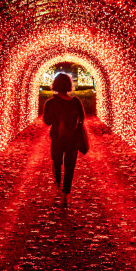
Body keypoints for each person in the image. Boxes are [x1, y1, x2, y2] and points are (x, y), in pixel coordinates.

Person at [42, 73, 85, 205]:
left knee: (56, 161)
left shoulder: (50, 103)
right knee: (70, 165)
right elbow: (82, 119)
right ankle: (66, 192)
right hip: (72, 138)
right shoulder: (76, 102)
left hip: (57, 137)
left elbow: (47, 121)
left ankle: (58, 183)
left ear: (55, 85)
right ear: (69, 85)